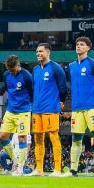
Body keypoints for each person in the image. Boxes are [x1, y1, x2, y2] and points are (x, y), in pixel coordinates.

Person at [67, 36, 94, 178]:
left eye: (82, 44)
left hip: (92, 106)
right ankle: (73, 170)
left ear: (88, 48)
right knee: (76, 138)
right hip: (77, 107)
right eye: (77, 44)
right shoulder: (71, 66)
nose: (78, 46)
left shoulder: (93, 64)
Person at [30, 42, 68, 177]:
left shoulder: (56, 68)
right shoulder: (35, 70)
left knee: (53, 137)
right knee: (38, 139)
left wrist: (61, 101)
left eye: (41, 51)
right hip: (37, 109)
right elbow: (33, 89)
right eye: (37, 52)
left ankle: (57, 169)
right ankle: (39, 169)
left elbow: (63, 88)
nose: (38, 54)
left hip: (51, 108)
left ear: (48, 52)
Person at [0, 54, 32, 176]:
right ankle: (16, 162)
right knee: (2, 136)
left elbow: (32, 93)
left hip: (23, 111)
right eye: (9, 70)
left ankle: (20, 168)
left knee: (22, 137)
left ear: (18, 65)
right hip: (10, 110)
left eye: (13, 70)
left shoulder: (26, 76)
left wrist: (29, 106)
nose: (11, 72)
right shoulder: (6, 75)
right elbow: (8, 89)